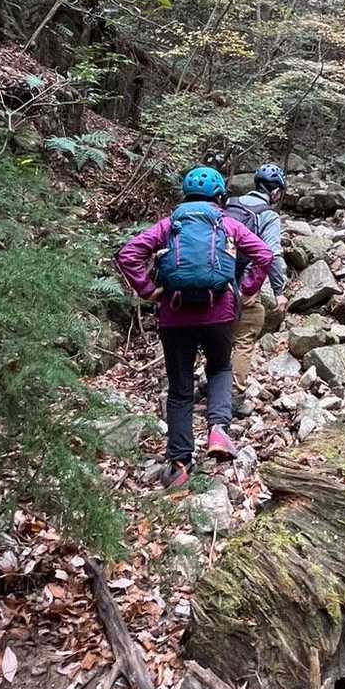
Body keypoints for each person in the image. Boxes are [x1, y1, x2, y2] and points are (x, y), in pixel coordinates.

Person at [116, 166, 273, 490]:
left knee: (180, 390)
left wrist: (149, 291)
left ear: (186, 196)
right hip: (219, 312)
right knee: (219, 368)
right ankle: (218, 429)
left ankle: (179, 463)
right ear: (220, 197)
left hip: (175, 315)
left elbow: (129, 254)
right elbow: (264, 254)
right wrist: (246, 288)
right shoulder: (226, 223)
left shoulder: (169, 225)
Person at [225, 162, 289, 392]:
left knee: (216, 332)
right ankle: (234, 392)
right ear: (276, 192)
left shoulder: (230, 204)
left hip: (217, 277)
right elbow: (272, 254)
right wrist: (279, 291)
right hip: (245, 282)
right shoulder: (268, 215)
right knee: (245, 336)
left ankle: (208, 382)